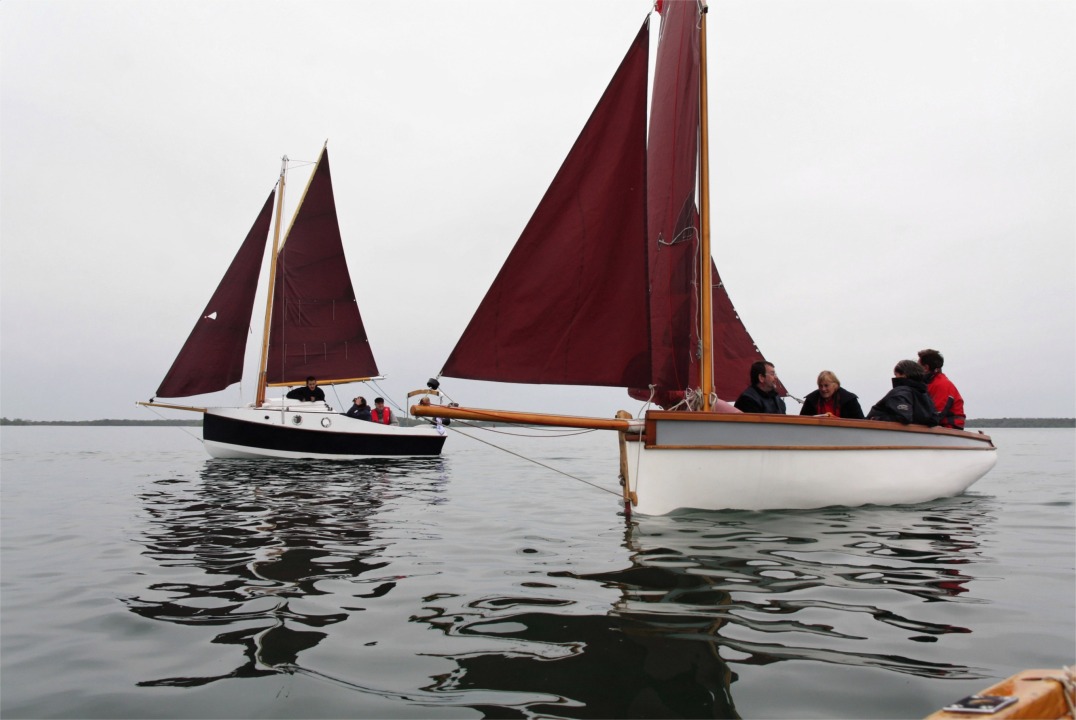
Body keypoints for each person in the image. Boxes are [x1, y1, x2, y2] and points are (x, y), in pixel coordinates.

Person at [867, 360, 940, 426]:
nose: (895, 378)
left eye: (896, 374)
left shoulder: (901, 392)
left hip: (882, 435)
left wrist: (876, 419)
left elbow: (904, 417)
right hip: (917, 438)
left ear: (904, 374)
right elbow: (933, 420)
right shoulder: (924, 394)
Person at [917, 348, 966, 429]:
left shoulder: (942, 384)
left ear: (926, 367)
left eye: (918, 366)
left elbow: (937, 414)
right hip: (940, 427)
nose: (916, 369)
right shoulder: (930, 383)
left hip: (950, 428)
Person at [800, 370, 864, 419]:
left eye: (826, 385)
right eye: (820, 386)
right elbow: (802, 421)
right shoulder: (811, 400)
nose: (823, 389)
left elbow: (861, 423)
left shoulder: (849, 400)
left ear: (835, 385)